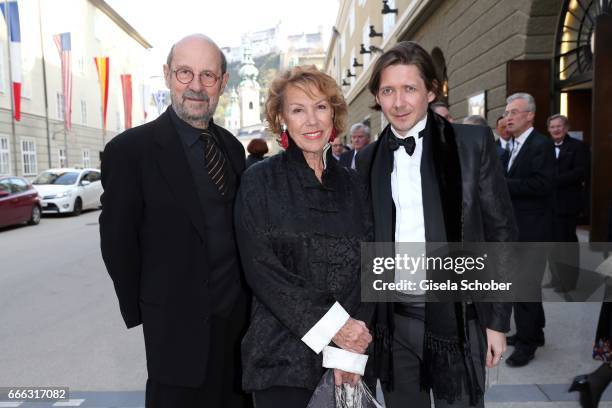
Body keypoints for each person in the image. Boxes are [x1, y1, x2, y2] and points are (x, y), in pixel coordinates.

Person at [357, 41, 516, 408]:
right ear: (377, 97)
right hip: (393, 322)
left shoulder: (472, 143)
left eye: (409, 89)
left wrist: (496, 320)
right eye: (388, 91)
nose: (398, 103)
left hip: (458, 319)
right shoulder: (368, 159)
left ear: (431, 90)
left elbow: (501, 233)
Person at [99, 34, 250, 408]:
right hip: (174, 333)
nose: (196, 86)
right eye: (185, 73)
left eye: (208, 75)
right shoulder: (129, 151)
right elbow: (118, 243)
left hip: (239, 329)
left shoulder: (232, 147)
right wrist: (149, 309)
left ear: (222, 83)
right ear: (167, 75)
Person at [235, 65, 374, 408]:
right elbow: (263, 271)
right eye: (298, 110)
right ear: (282, 118)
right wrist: (335, 328)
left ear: (334, 115)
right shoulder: (259, 181)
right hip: (280, 356)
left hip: (347, 356)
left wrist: (351, 346)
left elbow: (370, 266)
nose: (311, 121)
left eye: (321, 107)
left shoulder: (356, 185)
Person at [503, 93, 555, 367]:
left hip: (533, 229)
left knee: (524, 287)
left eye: (514, 112)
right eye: (507, 112)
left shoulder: (540, 144)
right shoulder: (513, 145)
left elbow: (542, 185)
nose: (508, 117)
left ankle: (527, 344)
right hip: (517, 228)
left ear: (530, 115)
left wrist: (503, 184)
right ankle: (534, 331)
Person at [545, 114, 587, 293]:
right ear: (548, 130)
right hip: (548, 204)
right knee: (552, 244)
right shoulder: (545, 147)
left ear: (566, 128)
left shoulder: (578, 147)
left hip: (567, 204)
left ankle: (569, 282)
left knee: (567, 244)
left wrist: (553, 180)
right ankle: (555, 278)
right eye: (552, 127)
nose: (556, 129)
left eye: (559, 126)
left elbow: (580, 171)